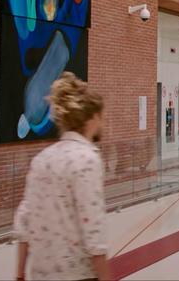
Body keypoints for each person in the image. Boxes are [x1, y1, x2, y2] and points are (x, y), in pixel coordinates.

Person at [13, 72, 111, 281]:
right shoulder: (86, 160)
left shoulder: (41, 159)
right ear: (92, 118)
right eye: (101, 117)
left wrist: (20, 274)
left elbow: (24, 221)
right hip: (77, 276)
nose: (102, 123)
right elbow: (93, 233)